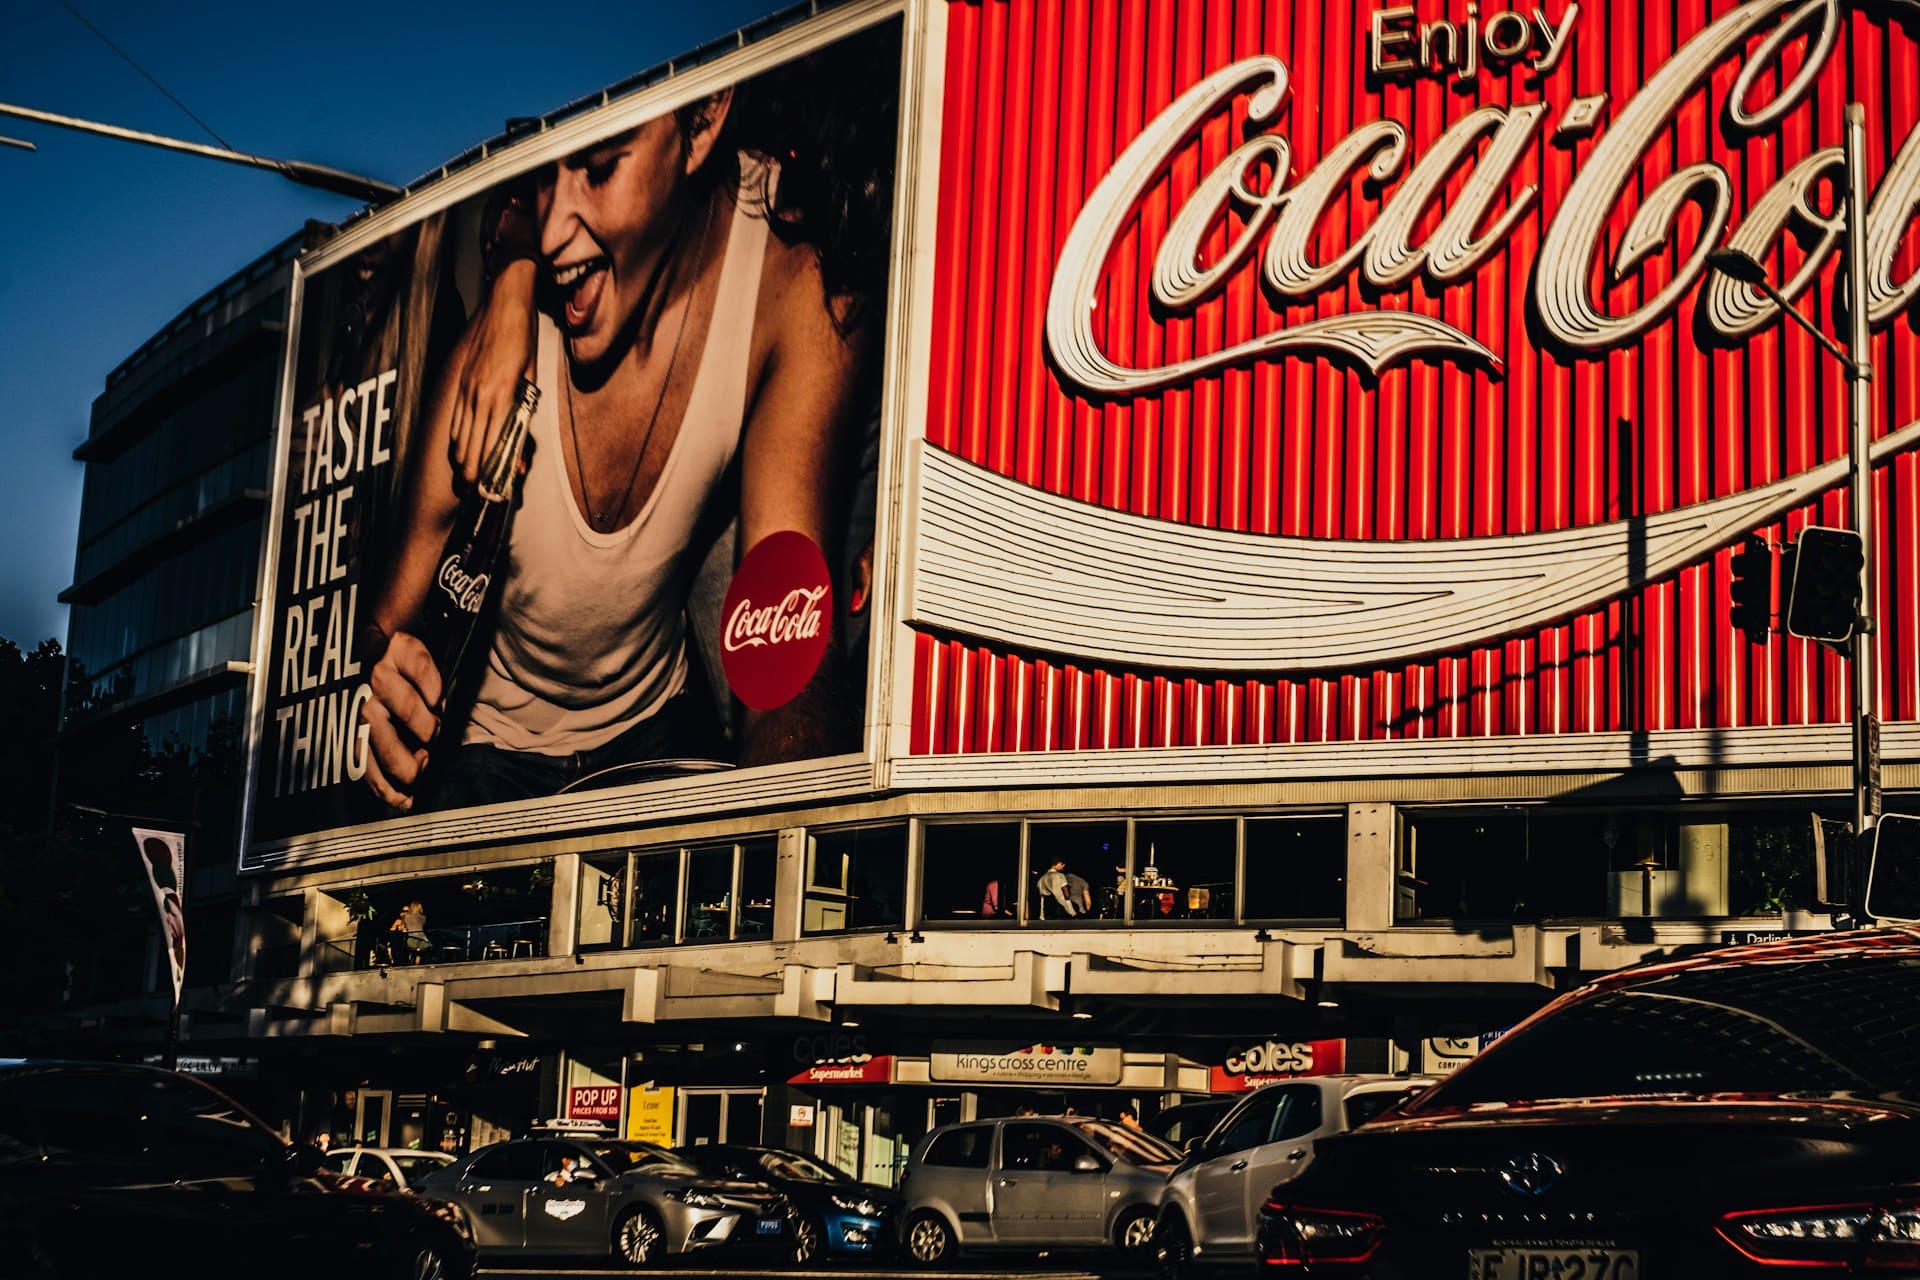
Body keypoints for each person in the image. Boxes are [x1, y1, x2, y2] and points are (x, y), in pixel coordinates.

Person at [360, 50, 891, 816]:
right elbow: (387, 621)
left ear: (703, 124)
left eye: (601, 169)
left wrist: (797, 875)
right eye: (543, 176)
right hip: (490, 756)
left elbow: (786, 644)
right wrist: (388, 685)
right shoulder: (493, 362)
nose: (552, 233)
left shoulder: (787, 268)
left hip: (657, 730)